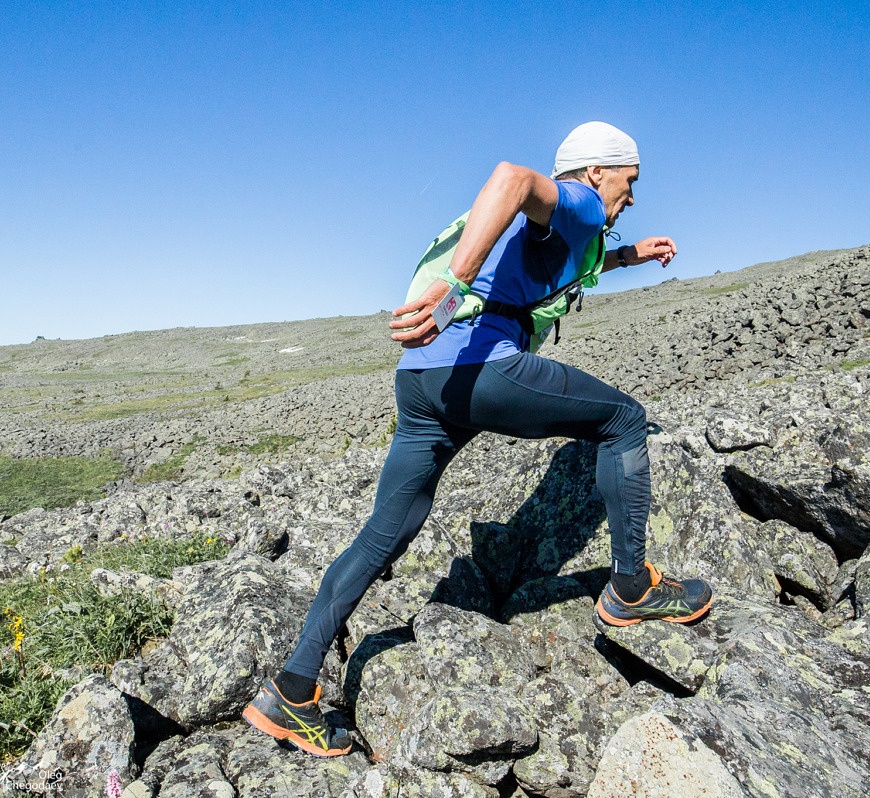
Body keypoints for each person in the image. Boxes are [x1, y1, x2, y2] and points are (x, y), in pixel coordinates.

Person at [242, 122, 713, 757]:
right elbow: (512, 178)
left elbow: (555, 266)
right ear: (599, 172)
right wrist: (456, 285)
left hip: (423, 379)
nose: (631, 198)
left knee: (387, 530)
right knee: (624, 420)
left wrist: (632, 255)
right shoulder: (573, 199)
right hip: (483, 364)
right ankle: (631, 590)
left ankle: (293, 690)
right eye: (630, 183)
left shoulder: (575, 227)